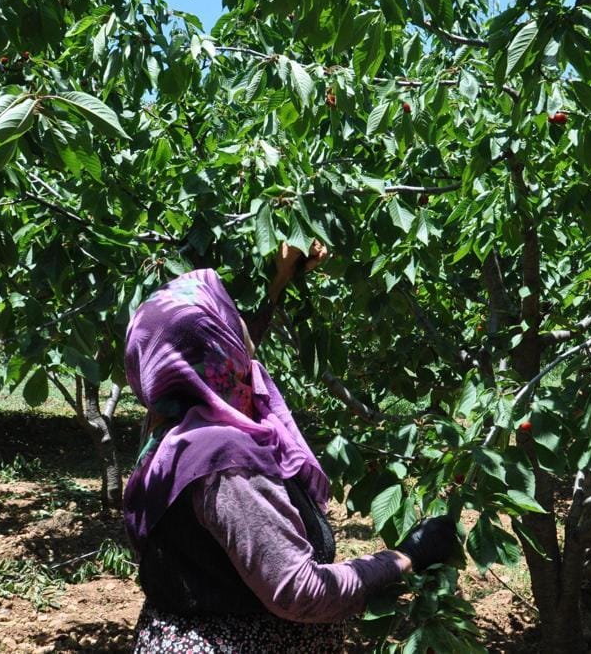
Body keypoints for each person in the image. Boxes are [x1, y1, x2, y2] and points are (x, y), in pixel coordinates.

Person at [123, 243, 459, 652]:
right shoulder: (225, 463)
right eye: (228, 317)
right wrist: (406, 557)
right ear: (220, 347)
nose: (241, 325)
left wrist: (281, 276)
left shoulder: (167, 429)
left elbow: (227, 349)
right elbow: (299, 591)